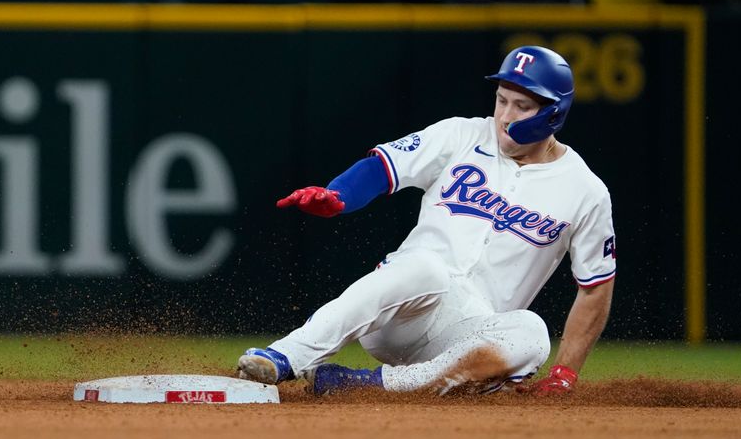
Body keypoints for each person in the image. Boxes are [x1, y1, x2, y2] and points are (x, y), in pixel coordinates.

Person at [238, 45, 616, 396]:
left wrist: (565, 374)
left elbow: (595, 287)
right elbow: (384, 167)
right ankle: (284, 356)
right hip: (405, 307)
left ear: (553, 112)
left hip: (467, 337)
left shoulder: (585, 191)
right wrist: (340, 197)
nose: (505, 116)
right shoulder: (461, 135)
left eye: (521, 106)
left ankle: (365, 385)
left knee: (532, 333)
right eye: (501, 100)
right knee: (426, 267)